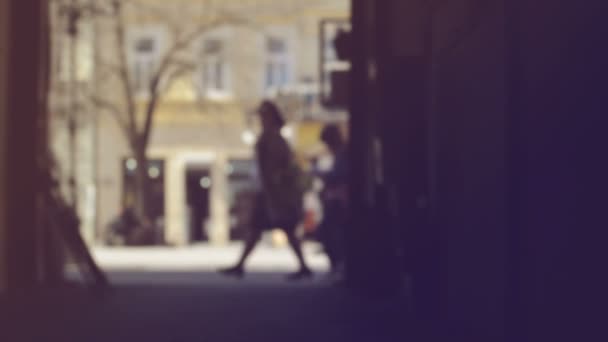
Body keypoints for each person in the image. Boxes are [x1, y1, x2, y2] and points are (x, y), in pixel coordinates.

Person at [219, 100, 313, 280]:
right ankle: (241, 265)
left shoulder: (274, 138)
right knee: (259, 229)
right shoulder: (270, 137)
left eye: (263, 114)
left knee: (281, 228)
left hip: (275, 193)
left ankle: (303, 266)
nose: (261, 118)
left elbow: (278, 167)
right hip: (269, 191)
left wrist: (274, 188)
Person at [316, 123, 349, 281]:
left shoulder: (343, 154)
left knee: (331, 233)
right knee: (331, 233)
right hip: (337, 199)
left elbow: (339, 176)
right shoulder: (340, 154)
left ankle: (340, 265)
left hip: (340, 200)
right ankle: (338, 265)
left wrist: (322, 175)